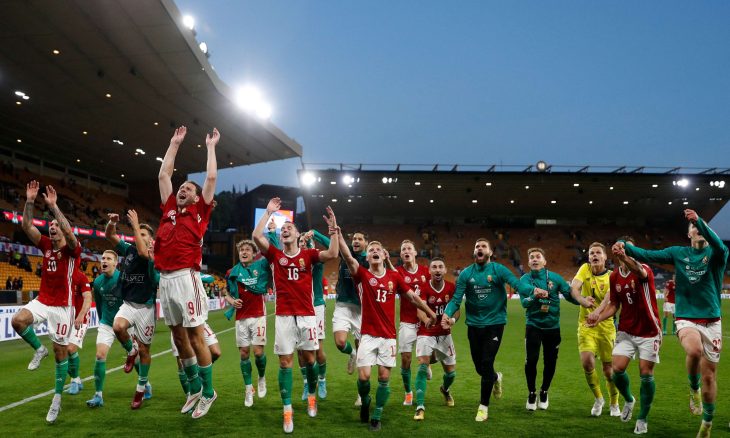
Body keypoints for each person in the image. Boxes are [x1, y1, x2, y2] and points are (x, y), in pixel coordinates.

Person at [618, 210, 728, 438]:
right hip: (686, 317)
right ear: (688, 234)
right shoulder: (678, 253)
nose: (698, 229)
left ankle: (707, 423)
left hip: (712, 321)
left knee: (710, 376)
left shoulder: (717, 253)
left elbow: (718, 244)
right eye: (694, 227)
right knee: (694, 350)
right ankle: (693, 386)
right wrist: (624, 246)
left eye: (702, 227)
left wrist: (698, 221)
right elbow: (648, 254)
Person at [252, 198, 340, 433]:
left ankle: (311, 395)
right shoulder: (274, 255)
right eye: (283, 229)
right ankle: (287, 410)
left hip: (307, 316)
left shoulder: (309, 255)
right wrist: (268, 213)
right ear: (281, 237)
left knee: (310, 360)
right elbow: (256, 236)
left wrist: (333, 230)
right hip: (283, 317)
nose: (285, 229)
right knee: (285, 362)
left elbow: (333, 252)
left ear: (298, 234)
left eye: (290, 227)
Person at [442, 238, 546, 422]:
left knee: (486, 362)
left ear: (490, 252)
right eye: (477, 246)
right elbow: (456, 299)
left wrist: (532, 290)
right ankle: (496, 377)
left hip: (495, 324)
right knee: (480, 368)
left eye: (483, 246)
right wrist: (447, 314)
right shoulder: (466, 274)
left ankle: (483, 407)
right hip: (474, 325)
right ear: (474, 252)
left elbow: (517, 284)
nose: (479, 248)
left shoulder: (499, 270)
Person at [338, 237, 436, 431]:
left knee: (384, 378)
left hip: (388, 337)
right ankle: (365, 400)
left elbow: (413, 297)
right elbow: (348, 257)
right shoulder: (362, 274)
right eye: (371, 249)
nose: (374, 251)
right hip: (367, 336)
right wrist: (337, 234)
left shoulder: (394, 277)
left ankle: (377, 415)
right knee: (364, 377)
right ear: (368, 257)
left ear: (384, 255)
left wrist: (430, 312)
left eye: (378, 249)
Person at [155, 126, 220, 418]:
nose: (182, 190)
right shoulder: (169, 208)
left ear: (197, 198)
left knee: (195, 337)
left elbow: (211, 178)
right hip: (165, 280)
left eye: (188, 189)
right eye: (181, 187)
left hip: (186, 277)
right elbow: (163, 175)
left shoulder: (200, 211)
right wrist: (174, 144)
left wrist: (211, 147)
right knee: (178, 337)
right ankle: (194, 388)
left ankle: (208, 392)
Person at [11, 182, 81, 423]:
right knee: (17, 321)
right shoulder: (45, 245)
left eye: (55, 225)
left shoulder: (72, 250)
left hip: (63, 307)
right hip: (43, 301)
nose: (52, 228)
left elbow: (70, 234)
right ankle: (38, 349)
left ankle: (57, 399)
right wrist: (30, 201)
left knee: (60, 353)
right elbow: (26, 226)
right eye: (50, 226)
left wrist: (54, 207)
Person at [586, 237, 661, 435]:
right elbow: (614, 305)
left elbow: (638, 270)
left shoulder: (644, 269)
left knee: (646, 374)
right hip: (626, 330)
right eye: (621, 249)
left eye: (629, 249)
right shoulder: (614, 276)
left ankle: (643, 418)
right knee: (616, 370)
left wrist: (626, 255)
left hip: (649, 330)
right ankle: (628, 399)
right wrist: (598, 318)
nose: (625, 251)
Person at [519, 248, 586, 411]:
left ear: (544, 262)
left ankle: (544, 391)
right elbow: (524, 303)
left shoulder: (555, 278)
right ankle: (532, 393)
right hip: (533, 326)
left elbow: (570, 296)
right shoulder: (524, 279)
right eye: (532, 257)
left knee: (550, 362)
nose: (535, 259)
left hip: (552, 328)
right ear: (528, 263)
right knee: (531, 361)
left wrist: (584, 300)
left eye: (538, 257)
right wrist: (535, 295)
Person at [106, 210, 160, 409]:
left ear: (151, 240)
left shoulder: (152, 254)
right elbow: (110, 235)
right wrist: (112, 223)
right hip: (129, 304)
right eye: (139, 233)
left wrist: (136, 224)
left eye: (143, 234)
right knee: (118, 327)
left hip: (146, 307)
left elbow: (143, 253)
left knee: (145, 351)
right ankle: (131, 349)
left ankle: (140, 389)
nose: (139, 235)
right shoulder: (129, 249)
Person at [313, 228, 369, 406]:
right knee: (340, 342)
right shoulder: (345, 253)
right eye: (354, 238)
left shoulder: (368, 260)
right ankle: (351, 354)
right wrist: (315, 233)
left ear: (366, 243)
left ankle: (361, 394)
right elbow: (332, 244)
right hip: (343, 305)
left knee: (363, 353)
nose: (356, 241)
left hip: (361, 309)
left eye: (360, 238)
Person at [570, 242, 617, 417]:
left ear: (605, 257)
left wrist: (597, 313)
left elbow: (608, 300)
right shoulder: (585, 269)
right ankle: (598, 399)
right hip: (586, 325)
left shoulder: (612, 276)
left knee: (608, 370)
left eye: (598, 253)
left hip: (606, 327)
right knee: (587, 362)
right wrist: (582, 301)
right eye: (591, 253)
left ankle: (614, 402)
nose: (594, 256)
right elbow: (574, 288)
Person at [224, 239, 270, 407]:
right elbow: (226, 291)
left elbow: (270, 254)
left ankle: (262, 377)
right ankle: (248, 388)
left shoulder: (261, 266)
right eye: (241, 250)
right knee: (244, 354)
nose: (244, 252)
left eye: (247, 250)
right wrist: (231, 301)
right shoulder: (232, 272)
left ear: (254, 253)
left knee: (258, 352)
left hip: (258, 315)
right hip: (241, 317)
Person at [413, 257, 458, 421]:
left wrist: (452, 320)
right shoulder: (423, 287)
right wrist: (426, 320)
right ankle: (420, 406)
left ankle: (445, 390)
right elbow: (420, 310)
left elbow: (457, 310)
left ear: (445, 270)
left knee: (451, 374)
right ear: (429, 271)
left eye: (440, 267)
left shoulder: (451, 287)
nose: (437, 269)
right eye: (434, 267)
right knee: (422, 367)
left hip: (445, 334)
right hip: (426, 332)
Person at [85, 250, 125, 408]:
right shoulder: (97, 282)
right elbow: (99, 304)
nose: (104, 261)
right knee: (100, 355)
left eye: (108, 258)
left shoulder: (123, 279)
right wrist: (103, 321)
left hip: (125, 324)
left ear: (115, 263)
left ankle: (144, 384)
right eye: (103, 258)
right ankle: (98, 395)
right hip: (107, 323)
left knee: (134, 357)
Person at [395, 240, 431, 406]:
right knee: (406, 359)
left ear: (415, 253)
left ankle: (427, 364)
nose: (406, 251)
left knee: (431, 354)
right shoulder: (398, 272)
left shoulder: (425, 271)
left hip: (425, 321)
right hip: (407, 321)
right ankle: (408, 392)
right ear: (401, 255)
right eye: (403, 249)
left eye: (409, 248)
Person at [297, 231, 328, 401]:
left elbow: (332, 248)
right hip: (298, 307)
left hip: (316, 306)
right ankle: (306, 383)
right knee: (300, 351)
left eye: (305, 241)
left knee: (318, 349)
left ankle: (321, 380)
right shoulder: (293, 260)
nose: (302, 243)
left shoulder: (316, 258)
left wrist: (315, 234)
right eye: (300, 241)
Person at [65, 269, 93, 395]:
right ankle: (77, 379)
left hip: (80, 319)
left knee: (71, 349)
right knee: (61, 353)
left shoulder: (81, 277)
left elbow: (88, 298)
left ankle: (75, 381)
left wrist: (81, 315)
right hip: (64, 319)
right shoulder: (60, 275)